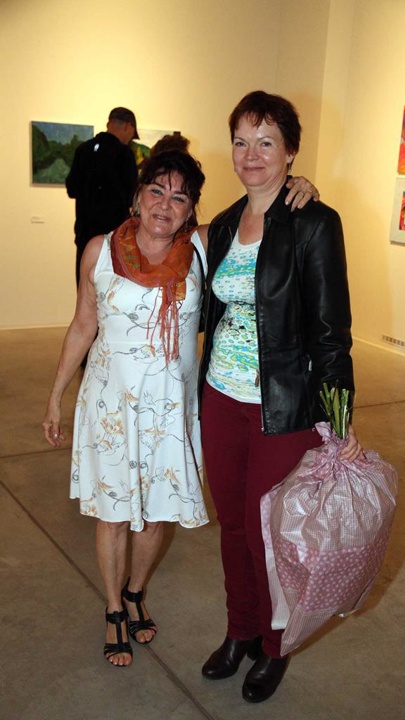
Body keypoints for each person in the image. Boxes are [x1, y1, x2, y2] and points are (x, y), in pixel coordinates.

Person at [43, 148, 316, 668]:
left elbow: (257, 213)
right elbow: (82, 325)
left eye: (180, 197)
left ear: (191, 210)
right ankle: (113, 607)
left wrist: (292, 185)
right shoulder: (100, 250)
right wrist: (56, 396)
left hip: (170, 411)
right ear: (137, 195)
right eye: (156, 191)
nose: (165, 205)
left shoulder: (202, 247)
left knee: (155, 515)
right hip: (110, 409)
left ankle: (136, 591)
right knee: (113, 515)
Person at [197, 91, 363, 703]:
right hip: (220, 397)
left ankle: (274, 644)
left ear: (290, 152)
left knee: (268, 534)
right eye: (241, 141)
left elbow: (331, 330)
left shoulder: (315, 223)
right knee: (231, 526)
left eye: (266, 142)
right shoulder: (222, 224)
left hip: (284, 408)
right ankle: (240, 629)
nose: (251, 155)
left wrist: (339, 420)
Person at [66, 107, 139, 286]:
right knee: (111, 290)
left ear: (108, 124)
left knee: (85, 287)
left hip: (85, 234)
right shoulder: (124, 154)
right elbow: (132, 196)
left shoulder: (83, 149)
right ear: (128, 127)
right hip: (114, 238)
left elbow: (72, 189)